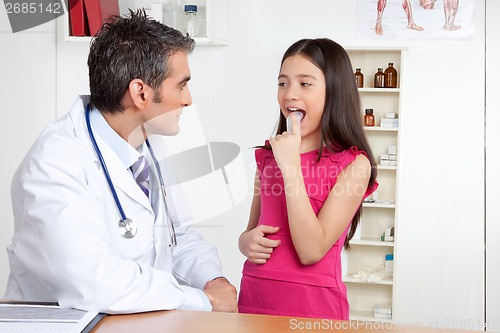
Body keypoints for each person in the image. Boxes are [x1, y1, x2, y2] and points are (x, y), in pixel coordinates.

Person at [4, 10, 237, 314]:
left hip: (138, 320)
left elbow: (175, 237)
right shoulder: (54, 163)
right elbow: (97, 282)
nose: (188, 99)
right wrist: (201, 301)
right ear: (140, 92)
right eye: (181, 85)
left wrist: (212, 279)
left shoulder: (151, 144)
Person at [237, 38, 378, 319]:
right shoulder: (269, 155)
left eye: (305, 83)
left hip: (313, 309)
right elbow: (251, 230)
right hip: (254, 300)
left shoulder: (354, 164)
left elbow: (311, 250)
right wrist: (245, 242)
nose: (290, 94)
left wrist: (290, 168)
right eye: (283, 83)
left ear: (334, 91)